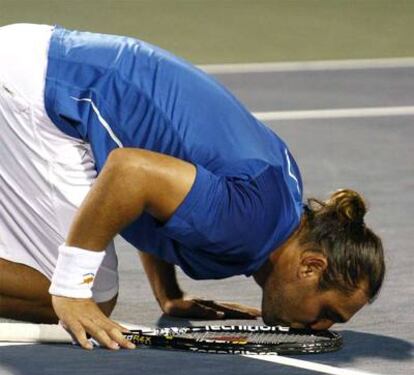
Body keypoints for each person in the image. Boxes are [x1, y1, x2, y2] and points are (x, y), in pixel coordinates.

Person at [0, 24, 385, 350]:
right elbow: (130, 171)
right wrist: (71, 291)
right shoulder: (248, 227)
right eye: (328, 313)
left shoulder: (281, 204)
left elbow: (158, 192)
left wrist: (168, 294)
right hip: (42, 94)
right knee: (88, 294)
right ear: (311, 266)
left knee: (79, 274)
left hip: (39, 62)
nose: (321, 328)